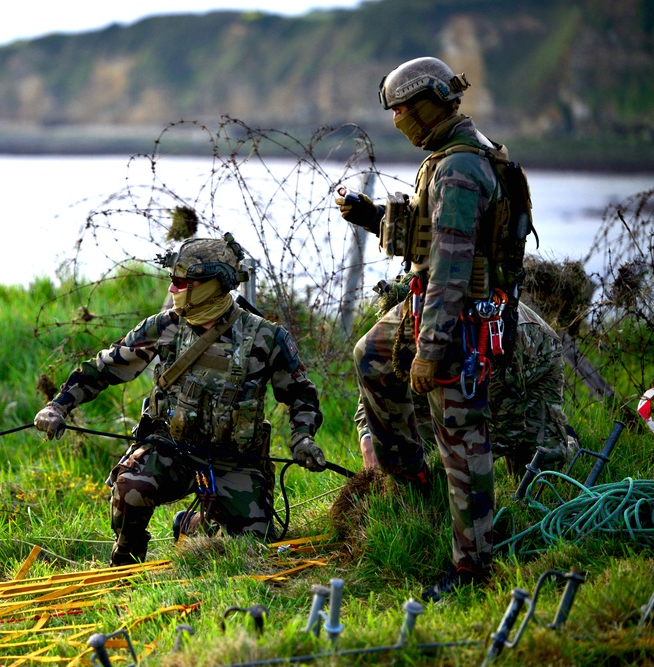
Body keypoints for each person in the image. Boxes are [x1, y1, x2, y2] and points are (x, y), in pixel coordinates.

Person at [336, 57, 525, 601]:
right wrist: (374, 218)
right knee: (371, 354)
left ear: (425, 107)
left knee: (463, 439)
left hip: (460, 316)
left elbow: (452, 265)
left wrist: (431, 348)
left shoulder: (459, 168)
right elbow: (430, 234)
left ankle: (473, 566)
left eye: (399, 109)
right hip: (441, 303)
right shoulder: (451, 154)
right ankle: (412, 478)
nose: (396, 119)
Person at [34, 235, 326, 565]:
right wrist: (57, 406)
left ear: (213, 285)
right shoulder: (165, 327)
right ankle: (127, 557)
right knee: (132, 486)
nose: (172, 290)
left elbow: (301, 394)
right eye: (172, 280)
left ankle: (192, 524)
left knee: (250, 546)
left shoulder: (266, 337)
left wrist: (303, 439)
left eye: (181, 282)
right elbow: (105, 368)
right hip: (171, 448)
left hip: (234, 458)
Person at [354, 277, 578, 477]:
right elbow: (377, 381)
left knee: (536, 474)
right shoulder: (403, 320)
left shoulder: (492, 339)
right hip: (455, 373)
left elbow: (498, 424)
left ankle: (566, 440)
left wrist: (452, 465)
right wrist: (368, 436)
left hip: (523, 379)